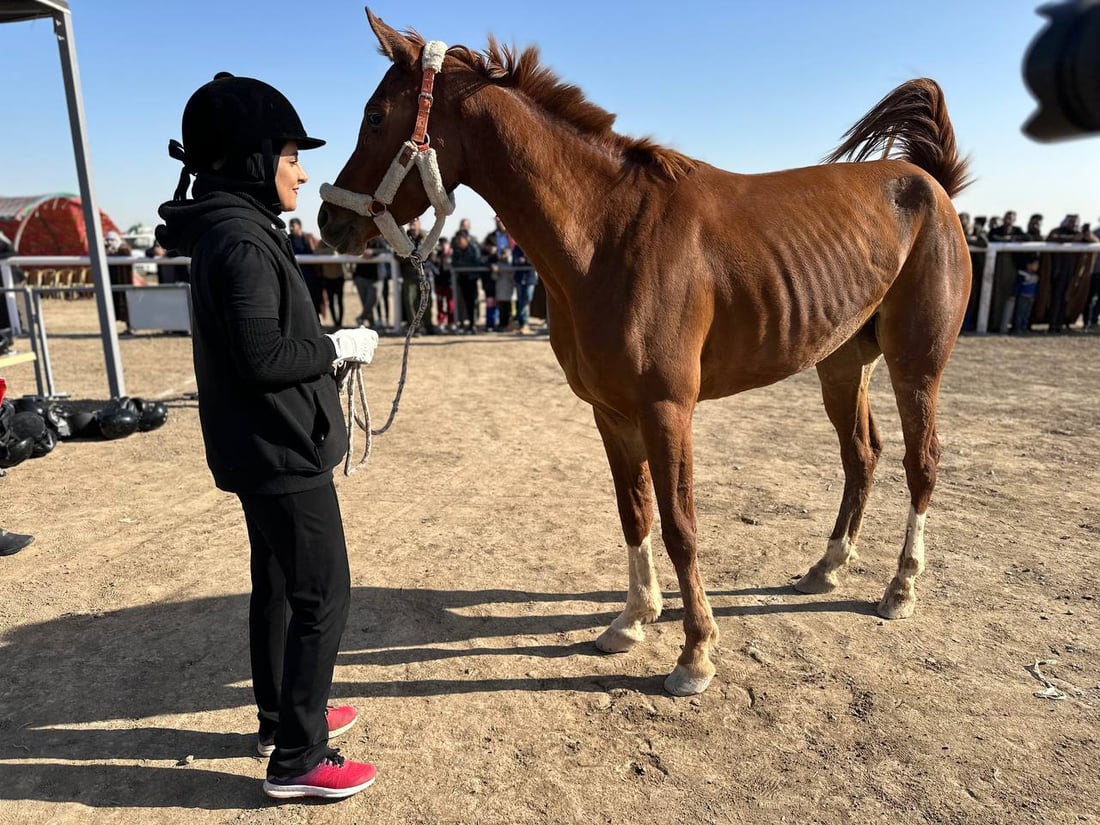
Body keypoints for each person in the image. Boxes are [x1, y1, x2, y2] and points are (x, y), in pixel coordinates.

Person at [156, 72, 378, 801]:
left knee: (279, 584)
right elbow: (263, 357)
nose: (302, 172)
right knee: (323, 593)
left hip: (263, 444)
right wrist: (337, 345)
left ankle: (283, 718)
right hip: (280, 448)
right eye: (290, 156)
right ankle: (299, 757)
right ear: (255, 160)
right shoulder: (243, 241)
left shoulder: (234, 229)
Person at [288, 218, 323, 321]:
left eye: (293, 226)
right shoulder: (287, 240)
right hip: (295, 275)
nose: (291, 228)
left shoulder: (309, 238)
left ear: (299, 226)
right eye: (290, 226)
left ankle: (317, 320)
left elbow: (317, 252)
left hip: (311, 275)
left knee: (314, 298)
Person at [352, 236, 390, 328]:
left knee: (371, 302)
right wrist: (362, 253)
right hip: (360, 276)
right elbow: (350, 251)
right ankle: (371, 323)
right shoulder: (358, 238)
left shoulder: (379, 240)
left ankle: (361, 318)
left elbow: (387, 250)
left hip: (375, 278)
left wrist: (373, 252)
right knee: (365, 303)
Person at [450, 232, 482, 333]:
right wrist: (463, 266)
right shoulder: (456, 249)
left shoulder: (474, 248)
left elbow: (476, 263)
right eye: (457, 240)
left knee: (472, 302)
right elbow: (454, 263)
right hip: (461, 279)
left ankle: (473, 324)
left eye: (460, 239)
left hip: (472, 279)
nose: (459, 242)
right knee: (462, 302)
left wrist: (463, 266)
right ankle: (462, 324)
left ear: (466, 239)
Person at [105, 230, 135, 335]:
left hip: (124, 281)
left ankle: (131, 327)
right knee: (111, 307)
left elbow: (125, 252)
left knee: (127, 306)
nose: (110, 242)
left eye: (112, 240)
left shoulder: (123, 248)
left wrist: (112, 252)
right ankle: (110, 330)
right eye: (108, 240)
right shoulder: (107, 250)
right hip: (112, 282)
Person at [315, 239, 346, 328]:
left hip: (339, 276)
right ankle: (335, 323)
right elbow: (316, 252)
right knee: (331, 302)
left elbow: (342, 251)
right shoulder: (323, 241)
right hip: (327, 277)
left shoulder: (339, 240)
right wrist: (330, 251)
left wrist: (331, 252)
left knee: (340, 301)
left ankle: (340, 323)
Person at [1012, 254, 1041, 334]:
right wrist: (1014, 294)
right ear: (1028, 265)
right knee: (1020, 313)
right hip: (1023, 296)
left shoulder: (1036, 276)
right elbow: (1017, 286)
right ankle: (1017, 328)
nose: (1037, 266)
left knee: (1027, 314)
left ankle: (1024, 327)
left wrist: (1035, 296)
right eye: (1035, 264)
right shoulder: (1022, 274)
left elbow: (1036, 287)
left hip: (1031, 297)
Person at [512, 243, 537, 334]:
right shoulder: (517, 248)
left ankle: (522, 321)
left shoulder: (532, 246)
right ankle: (522, 322)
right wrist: (521, 260)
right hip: (519, 278)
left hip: (530, 278)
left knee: (527, 299)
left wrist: (525, 260)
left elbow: (534, 261)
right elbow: (514, 262)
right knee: (520, 300)